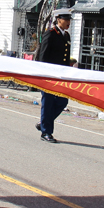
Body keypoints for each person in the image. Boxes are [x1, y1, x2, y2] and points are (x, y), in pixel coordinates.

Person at [35, 8, 72, 143]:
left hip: (61, 76)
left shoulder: (66, 36)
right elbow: (42, 56)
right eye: (66, 19)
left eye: (69, 20)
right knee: (48, 103)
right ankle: (46, 132)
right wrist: (42, 75)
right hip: (49, 75)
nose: (68, 22)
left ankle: (44, 123)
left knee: (63, 101)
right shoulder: (50, 34)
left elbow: (65, 58)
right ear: (58, 20)